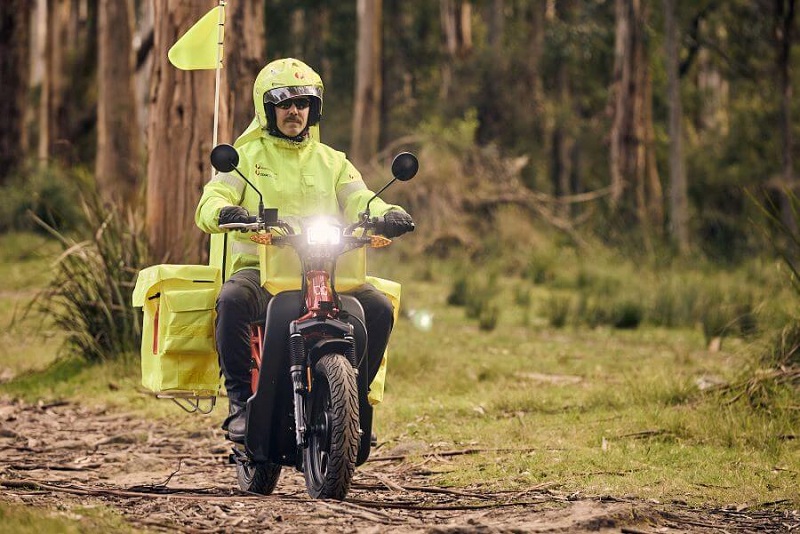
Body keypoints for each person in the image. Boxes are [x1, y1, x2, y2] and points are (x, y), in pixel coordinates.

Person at [195, 58, 414, 443]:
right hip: (261, 269)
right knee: (231, 299)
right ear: (268, 109)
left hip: (328, 267)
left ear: (314, 109)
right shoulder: (245, 157)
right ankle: (240, 405)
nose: (294, 111)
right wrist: (224, 210)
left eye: (303, 102)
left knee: (378, 307)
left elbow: (360, 197)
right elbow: (212, 197)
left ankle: (355, 403)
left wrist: (387, 211)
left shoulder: (333, 161)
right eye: (283, 102)